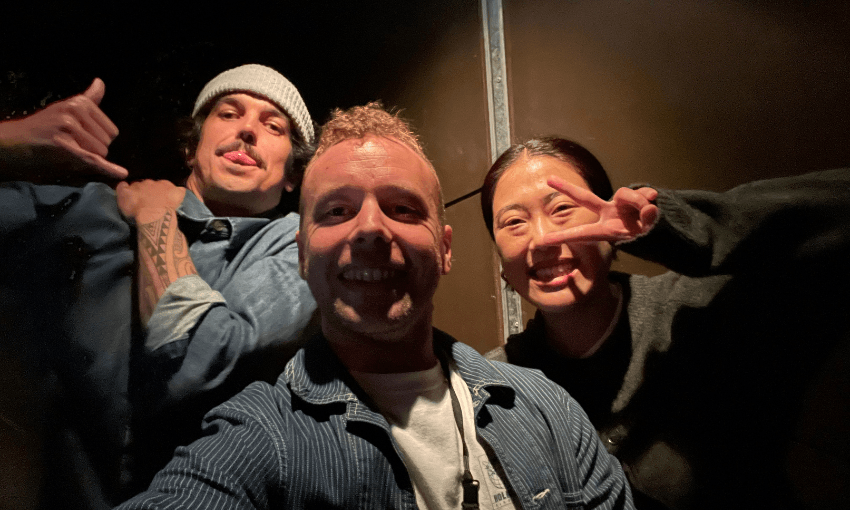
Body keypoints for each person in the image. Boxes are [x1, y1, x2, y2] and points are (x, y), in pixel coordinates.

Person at [115, 104, 634, 510]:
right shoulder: (259, 438)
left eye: (402, 208)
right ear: (300, 251)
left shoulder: (544, 408)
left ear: (446, 247)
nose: (369, 229)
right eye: (337, 210)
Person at [0, 64, 317, 509]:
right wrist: (12, 140)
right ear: (191, 147)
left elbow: (196, 358)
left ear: (291, 176)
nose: (248, 130)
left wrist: (155, 216)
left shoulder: (296, 243)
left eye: (273, 126)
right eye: (228, 114)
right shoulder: (93, 207)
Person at [481, 137, 850, 509]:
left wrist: (680, 226)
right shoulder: (495, 386)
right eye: (514, 222)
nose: (542, 238)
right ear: (501, 262)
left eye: (562, 208)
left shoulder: (700, 312)